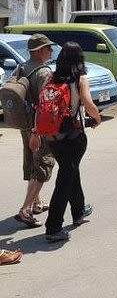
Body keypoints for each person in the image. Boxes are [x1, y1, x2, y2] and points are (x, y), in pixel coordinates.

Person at [40, 42, 102, 242]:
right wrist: (97, 118)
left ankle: (78, 212)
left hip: (52, 137)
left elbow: (40, 107)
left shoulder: (51, 77)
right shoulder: (79, 79)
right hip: (73, 136)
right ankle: (53, 227)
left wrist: (36, 132)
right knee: (65, 179)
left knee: (70, 171)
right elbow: (88, 102)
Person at [13, 34, 55, 229]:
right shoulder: (44, 72)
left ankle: (37, 202)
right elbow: (44, 104)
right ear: (39, 51)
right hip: (38, 127)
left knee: (31, 162)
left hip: (24, 124)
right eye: (47, 48)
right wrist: (38, 131)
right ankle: (25, 209)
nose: (51, 51)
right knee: (43, 164)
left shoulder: (21, 67)